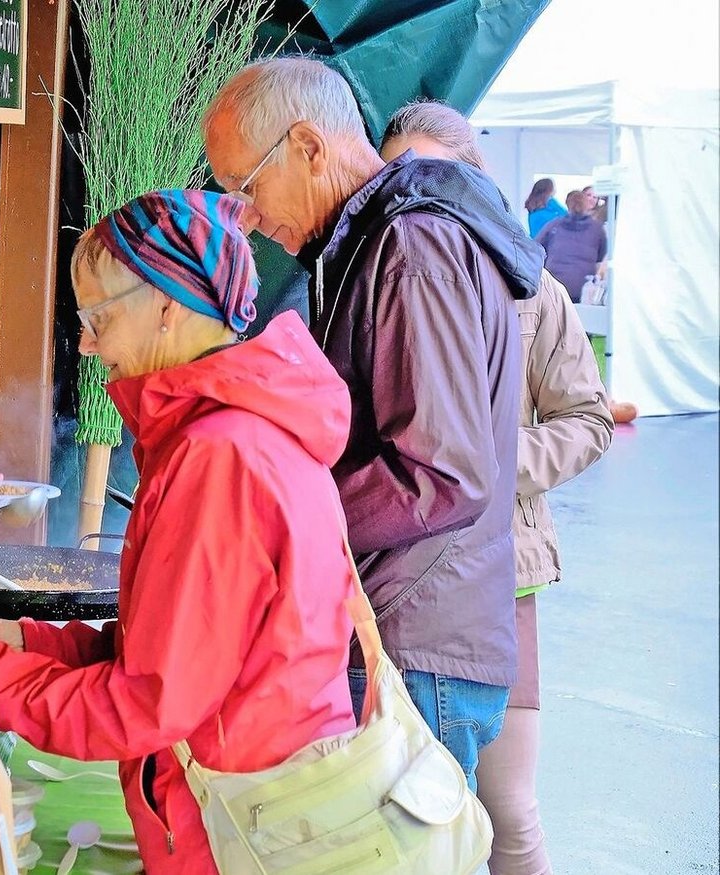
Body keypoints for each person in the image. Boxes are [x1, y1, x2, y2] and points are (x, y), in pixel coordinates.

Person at [0, 190, 359, 875]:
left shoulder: (219, 456)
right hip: (257, 808)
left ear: (167, 306)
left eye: (98, 318)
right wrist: (30, 641)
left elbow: (147, 703)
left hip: (238, 833)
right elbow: (178, 654)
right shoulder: (245, 429)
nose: (88, 344)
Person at [203, 58, 543, 788]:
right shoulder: (370, 243)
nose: (248, 216)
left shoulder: (412, 244)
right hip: (411, 630)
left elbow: (442, 474)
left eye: (245, 185)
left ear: (308, 146)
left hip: (413, 640)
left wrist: (286, 520)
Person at [383, 98, 615, 875]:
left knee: (508, 812)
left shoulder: (531, 287)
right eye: (398, 175)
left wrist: (481, 464)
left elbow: (589, 418)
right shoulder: (375, 280)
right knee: (402, 807)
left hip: (502, 575)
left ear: (475, 177)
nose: (417, 192)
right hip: (397, 582)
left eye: (435, 173)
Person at [536, 190, 609, 303]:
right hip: (582, 286)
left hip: (554, 284)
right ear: (586, 205)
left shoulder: (554, 224)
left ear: (567, 204)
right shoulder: (597, 229)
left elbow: (536, 247)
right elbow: (602, 256)